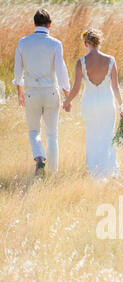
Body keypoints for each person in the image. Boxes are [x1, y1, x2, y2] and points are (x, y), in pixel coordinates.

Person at [63, 29, 123, 179]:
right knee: (107, 135)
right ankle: (110, 170)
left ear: (85, 43)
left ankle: (95, 172)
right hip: (107, 102)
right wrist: (121, 105)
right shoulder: (110, 60)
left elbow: (76, 87)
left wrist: (66, 101)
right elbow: (116, 86)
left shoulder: (81, 62)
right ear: (100, 42)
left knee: (92, 136)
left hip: (90, 103)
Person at [13, 8, 70, 175]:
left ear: (34, 23)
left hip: (31, 92)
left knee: (33, 131)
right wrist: (67, 94)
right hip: (51, 91)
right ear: (50, 24)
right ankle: (53, 172)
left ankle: (39, 158)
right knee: (52, 134)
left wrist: (19, 90)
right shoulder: (55, 44)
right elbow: (61, 71)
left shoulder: (23, 42)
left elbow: (18, 71)